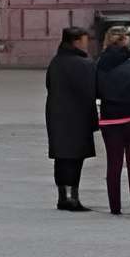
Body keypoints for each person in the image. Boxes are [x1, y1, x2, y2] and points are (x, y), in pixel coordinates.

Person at [91, 27, 130, 216]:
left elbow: (96, 91)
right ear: (127, 42)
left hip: (110, 120)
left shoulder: (99, 64)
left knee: (114, 165)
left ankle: (115, 207)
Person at [43, 26, 97, 211]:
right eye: (84, 40)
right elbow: (92, 90)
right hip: (78, 117)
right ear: (76, 42)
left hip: (56, 115)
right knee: (75, 158)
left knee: (62, 158)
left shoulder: (56, 61)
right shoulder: (85, 64)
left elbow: (48, 84)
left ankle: (62, 196)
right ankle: (73, 197)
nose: (87, 44)